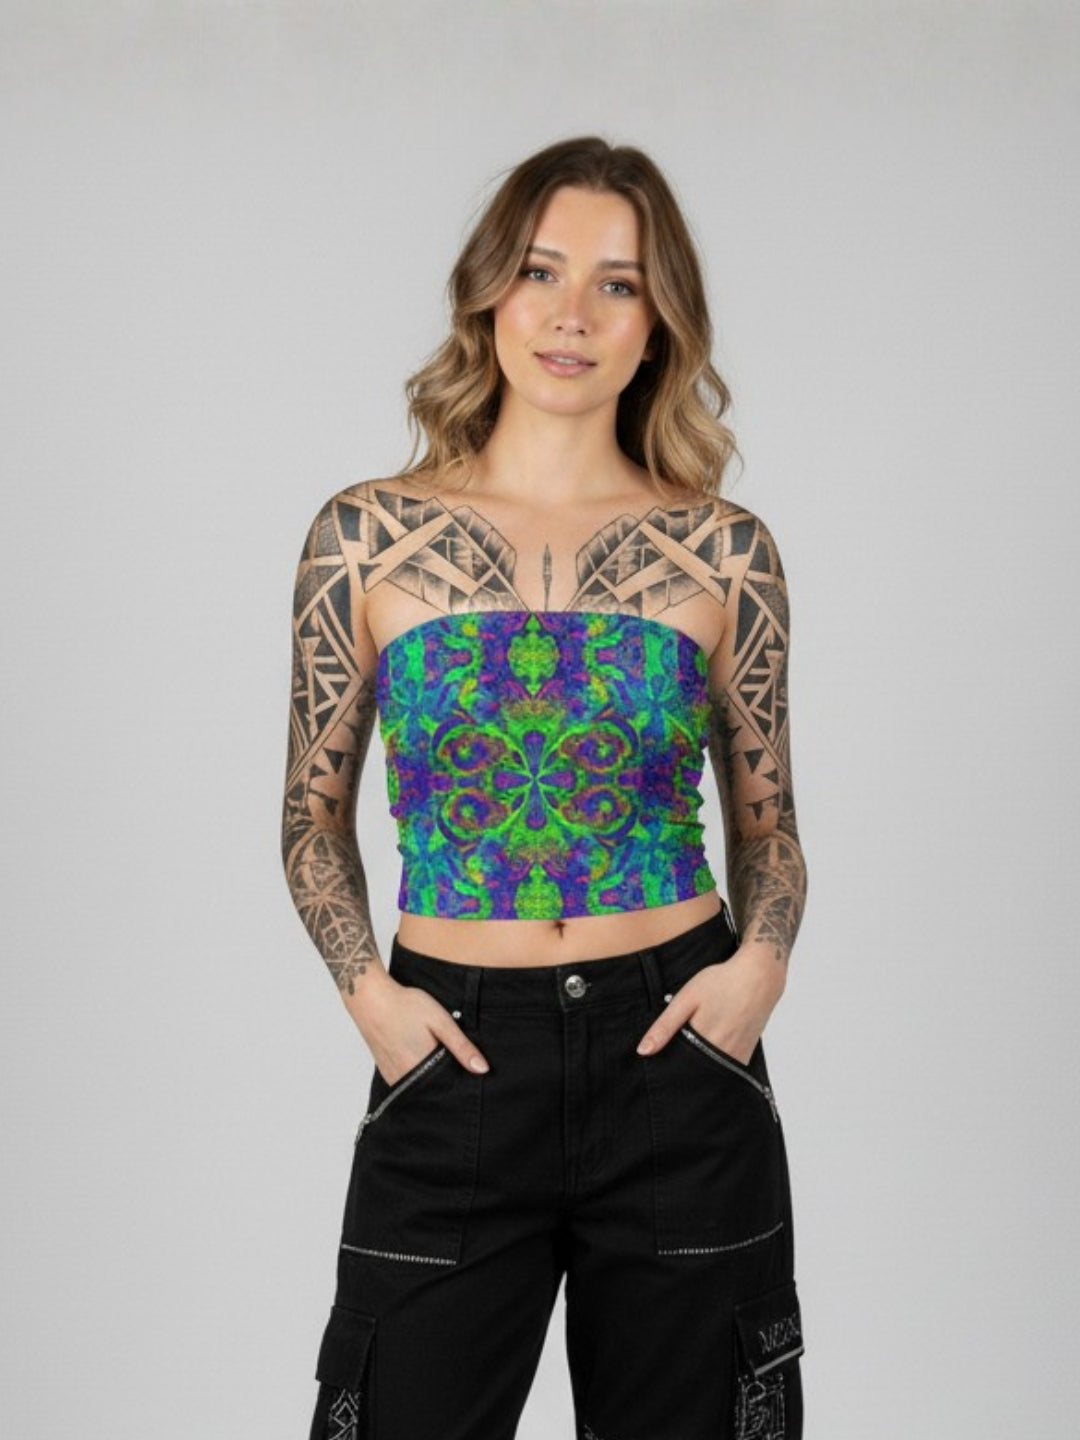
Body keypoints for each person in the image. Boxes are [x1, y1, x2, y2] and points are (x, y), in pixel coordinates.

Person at [282, 135, 808, 1440]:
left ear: (658, 323)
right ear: (488, 293)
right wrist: (369, 996)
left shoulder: (725, 553)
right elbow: (309, 815)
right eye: (540, 270)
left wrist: (756, 973)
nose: (573, 313)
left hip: (677, 1051)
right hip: (452, 1054)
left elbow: (770, 829)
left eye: (617, 283)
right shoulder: (365, 538)